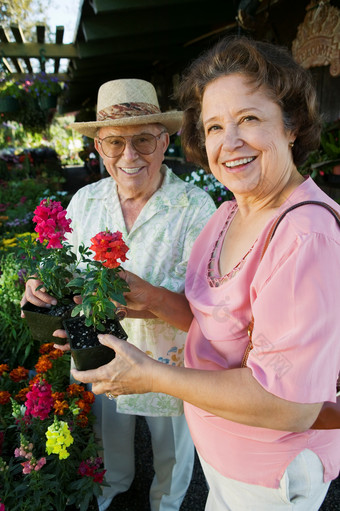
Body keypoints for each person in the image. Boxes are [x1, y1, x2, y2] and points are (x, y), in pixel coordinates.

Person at [70, 37, 340, 511]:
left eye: (249, 119)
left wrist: (153, 375)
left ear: (292, 124)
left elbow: (291, 407)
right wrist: (150, 299)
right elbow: (210, 324)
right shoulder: (228, 214)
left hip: (269, 476)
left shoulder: (307, 236)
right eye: (215, 126)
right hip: (225, 460)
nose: (229, 142)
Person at [21, 78, 216, 511]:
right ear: (98, 148)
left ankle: (166, 503)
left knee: (172, 450)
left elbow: (208, 310)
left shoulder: (197, 207)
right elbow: (64, 270)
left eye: (143, 140)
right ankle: (112, 491)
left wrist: (143, 299)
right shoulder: (85, 202)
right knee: (109, 442)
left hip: (171, 359)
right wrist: (40, 288)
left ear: (164, 141)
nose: (130, 156)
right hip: (98, 350)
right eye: (114, 143)